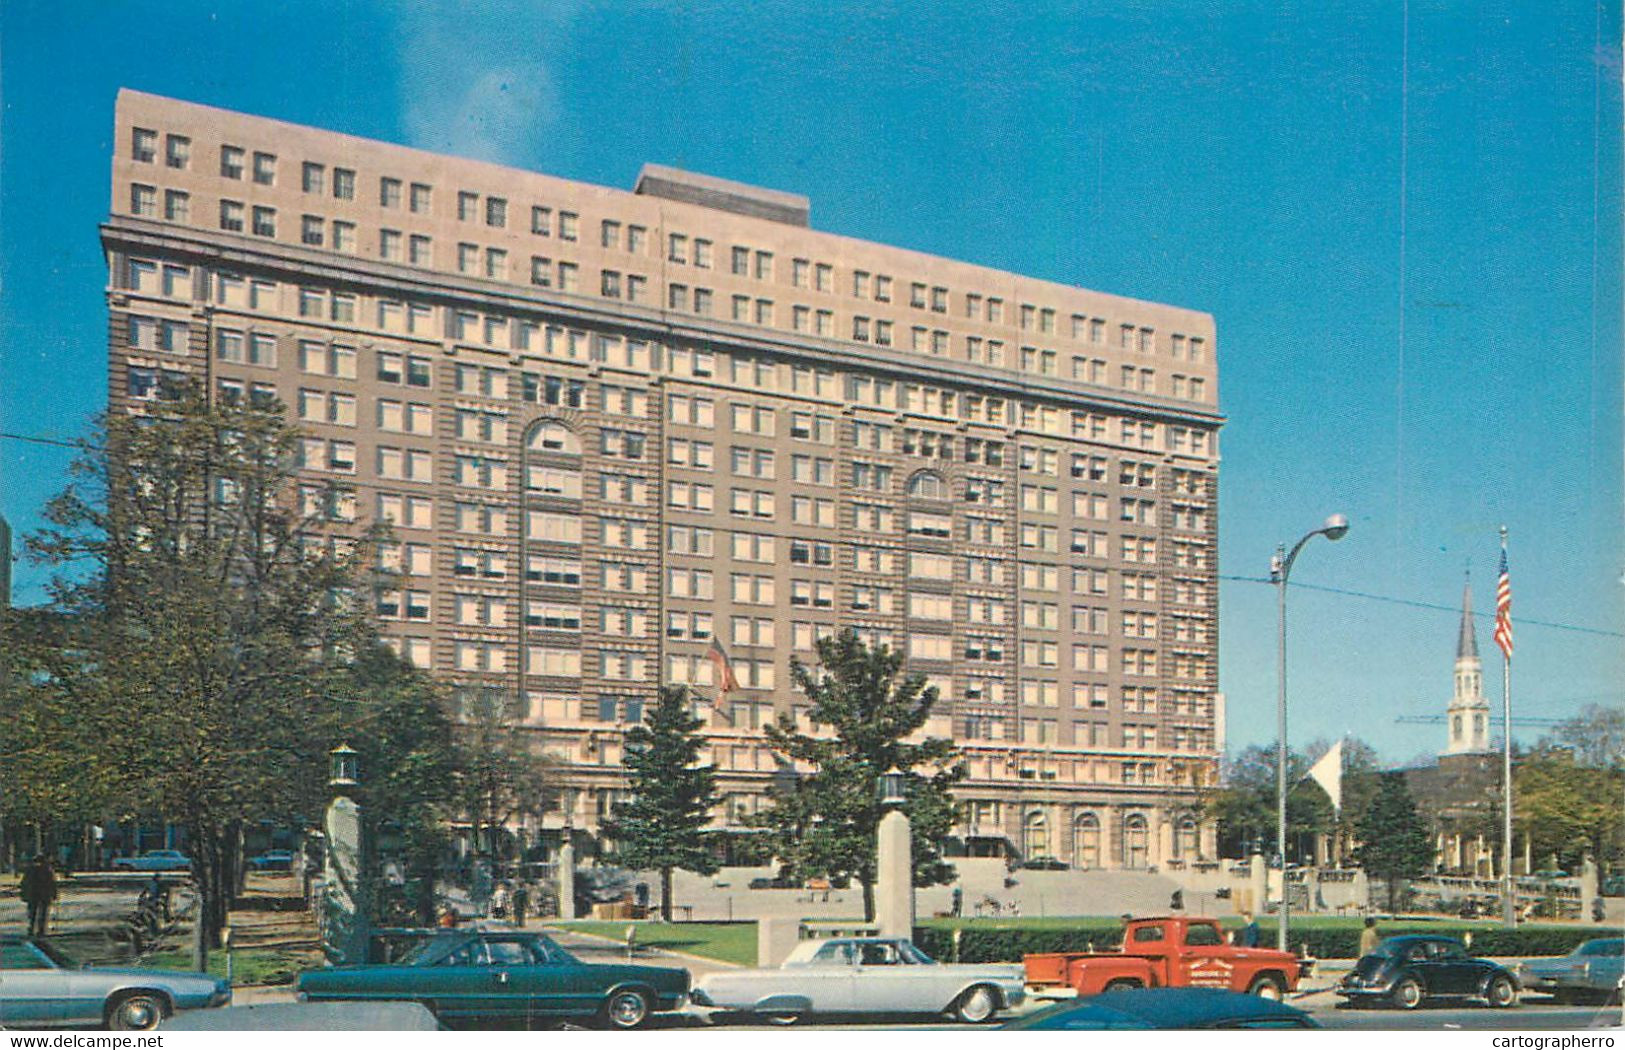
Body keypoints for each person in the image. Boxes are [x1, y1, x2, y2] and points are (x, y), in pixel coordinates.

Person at [21, 854, 58, 938]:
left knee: (32, 912)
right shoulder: (47, 869)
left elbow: (24, 882)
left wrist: (24, 893)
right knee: (43, 913)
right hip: (44, 894)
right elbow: (52, 883)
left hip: (33, 893)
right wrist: (54, 894)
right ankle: (41, 929)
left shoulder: (30, 869)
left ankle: (31, 928)